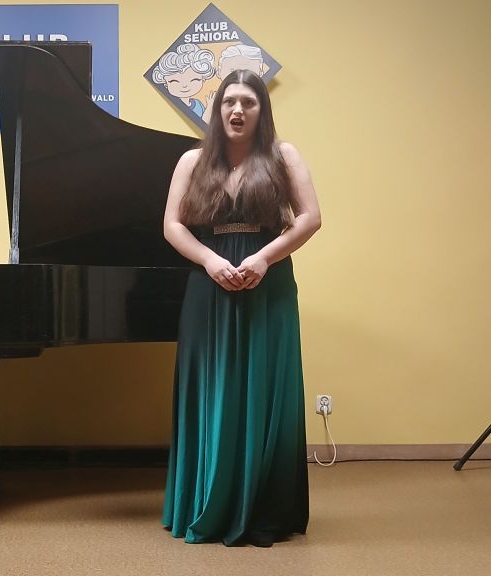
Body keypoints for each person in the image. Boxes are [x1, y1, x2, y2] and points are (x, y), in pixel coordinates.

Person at [161, 70, 321, 547]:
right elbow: (172, 225)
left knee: (264, 387)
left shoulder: (284, 155)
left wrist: (264, 258)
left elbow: (311, 217)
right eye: (229, 101)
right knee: (212, 390)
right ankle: (206, 502)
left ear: (261, 110)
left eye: (248, 102)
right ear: (217, 109)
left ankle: (263, 507)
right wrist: (210, 260)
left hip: (268, 283)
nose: (237, 110)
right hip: (207, 285)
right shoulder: (192, 160)